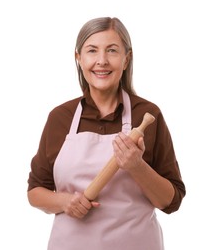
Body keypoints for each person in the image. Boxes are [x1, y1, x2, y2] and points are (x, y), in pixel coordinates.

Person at [27, 17, 186, 250]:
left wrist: (136, 166)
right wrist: (63, 201)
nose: (101, 61)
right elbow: (35, 192)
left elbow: (171, 202)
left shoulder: (148, 115)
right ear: (79, 58)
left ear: (126, 59)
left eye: (112, 51)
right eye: (92, 51)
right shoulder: (60, 117)